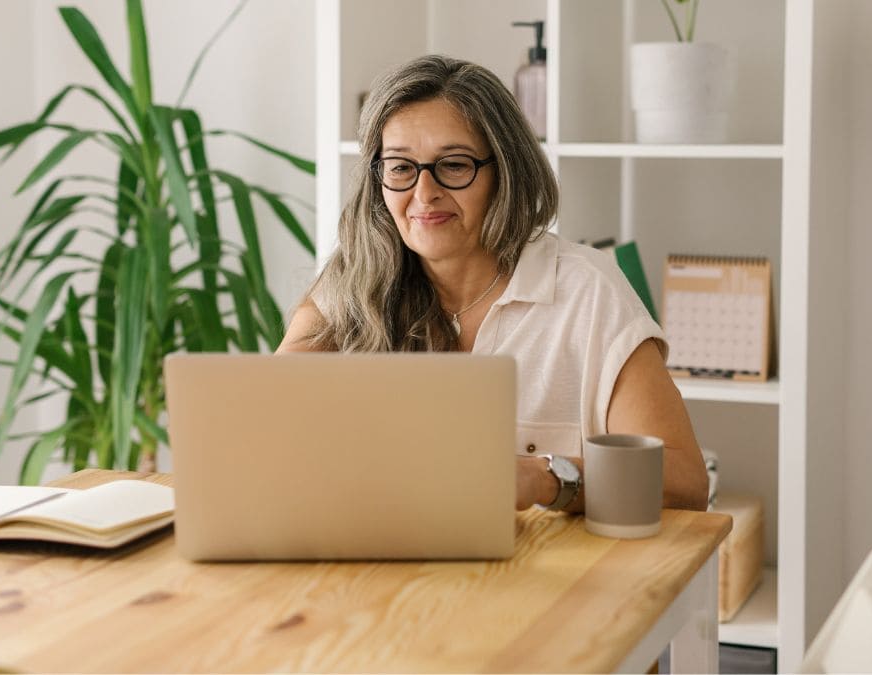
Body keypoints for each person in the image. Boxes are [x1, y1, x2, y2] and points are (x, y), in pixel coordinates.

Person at [279, 54, 707, 513]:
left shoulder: (587, 289)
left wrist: (546, 479)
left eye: (455, 165)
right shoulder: (351, 283)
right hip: (388, 570)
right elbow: (267, 431)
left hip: (552, 578)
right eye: (402, 167)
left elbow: (684, 481)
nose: (424, 194)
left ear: (504, 172)